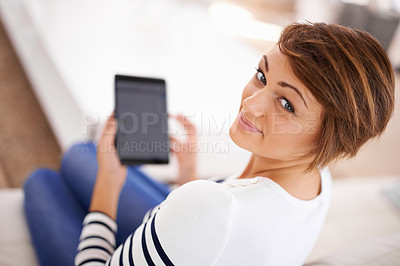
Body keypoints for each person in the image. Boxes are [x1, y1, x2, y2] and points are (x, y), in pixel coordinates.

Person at [23, 21, 395, 266]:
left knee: (44, 180)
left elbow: (210, 217)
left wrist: (108, 186)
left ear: (330, 137)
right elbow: (217, 230)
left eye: (286, 103)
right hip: (195, 229)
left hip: (196, 222)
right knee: (78, 156)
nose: (250, 103)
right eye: (262, 75)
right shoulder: (318, 180)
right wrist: (189, 178)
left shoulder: (209, 207)